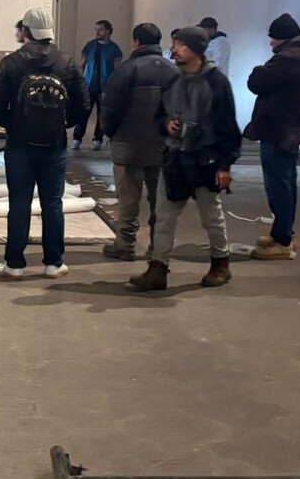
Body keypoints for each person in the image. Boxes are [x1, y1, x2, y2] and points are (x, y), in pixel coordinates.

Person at [129, 27, 241, 291]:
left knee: (211, 216)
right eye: (175, 44)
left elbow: (228, 127)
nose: (175, 49)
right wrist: (167, 124)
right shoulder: (173, 80)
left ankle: (220, 264)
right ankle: (158, 268)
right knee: (164, 217)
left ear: (197, 49)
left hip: (206, 161)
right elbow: (159, 115)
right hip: (175, 160)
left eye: (181, 45)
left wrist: (225, 165)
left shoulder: (217, 82)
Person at [0, 8, 89, 279]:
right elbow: (83, 104)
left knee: (19, 203)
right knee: (53, 204)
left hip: (19, 146)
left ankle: (14, 264)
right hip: (54, 146)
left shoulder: (11, 63)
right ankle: (54, 263)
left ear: (26, 31)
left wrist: (12, 125)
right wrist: (63, 125)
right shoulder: (66, 63)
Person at [99, 23, 179, 261]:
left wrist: (111, 133)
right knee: (160, 201)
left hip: (128, 146)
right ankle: (158, 246)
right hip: (163, 148)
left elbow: (110, 107)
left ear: (136, 42)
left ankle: (125, 244)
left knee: (128, 201)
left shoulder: (126, 69)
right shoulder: (173, 71)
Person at [245, 13, 300, 261]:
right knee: (285, 183)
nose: (271, 43)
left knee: (279, 185)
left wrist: (258, 69)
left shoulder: (289, 58)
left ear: (283, 38)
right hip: (289, 128)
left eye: (273, 38)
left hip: (279, 129)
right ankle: (281, 233)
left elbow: (256, 82)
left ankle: (283, 241)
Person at [73, 19, 123, 150]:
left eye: (100, 29)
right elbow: (82, 64)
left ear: (108, 31)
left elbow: (117, 70)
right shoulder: (89, 46)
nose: (97, 32)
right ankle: (77, 138)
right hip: (89, 84)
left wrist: (114, 88)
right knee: (83, 112)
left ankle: (98, 139)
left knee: (102, 114)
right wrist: (79, 82)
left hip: (105, 87)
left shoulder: (115, 49)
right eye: (96, 29)